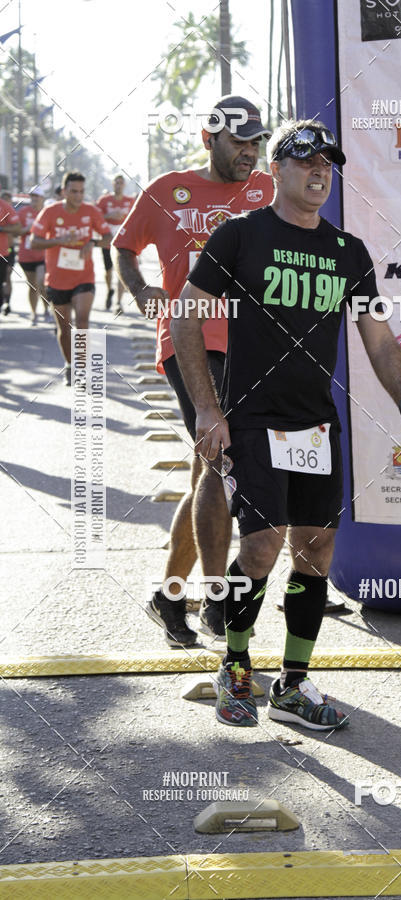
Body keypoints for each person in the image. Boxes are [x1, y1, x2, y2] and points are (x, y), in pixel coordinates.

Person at [171, 120, 401, 730]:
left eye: (327, 164)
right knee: (262, 548)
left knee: (316, 552)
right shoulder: (241, 236)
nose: (320, 171)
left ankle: (292, 683)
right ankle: (235, 667)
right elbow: (185, 319)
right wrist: (208, 408)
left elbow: (379, 338)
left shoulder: (348, 253)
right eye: (306, 160)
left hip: (316, 424)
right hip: (254, 418)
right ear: (277, 171)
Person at [114, 95, 273, 648]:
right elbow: (124, 248)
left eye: (256, 142)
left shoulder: (269, 191)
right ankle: (215, 601)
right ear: (209, 140)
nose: (248, 153)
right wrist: (140, 290)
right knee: (223, 460)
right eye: (238, 142)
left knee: (208, 475)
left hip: (253, 346)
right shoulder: (166, 191)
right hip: (189, 340)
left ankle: (169, 594)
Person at [30, 171, 112, 385]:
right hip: (57, 279)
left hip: (84, 277)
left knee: (82, 320)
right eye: (74, 191)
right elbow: (34, 241)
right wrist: (58, 240)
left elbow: (108, 238)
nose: (78, 196)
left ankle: (82, 369)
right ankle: (70, 364)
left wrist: (92, 242)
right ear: (64, 191)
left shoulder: (91, 211)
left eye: (82, 192)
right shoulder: (50, 213)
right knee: (64, 329)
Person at [96, 175, 135, 312]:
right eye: (116, 182)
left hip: (123, 241)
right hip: (107, 240)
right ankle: (109, 290)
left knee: (121, 271)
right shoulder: (104, 200)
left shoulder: (130, 201)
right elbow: (94, 217)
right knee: (108, 272)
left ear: (124, 185)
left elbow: (136, 219)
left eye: (121, 183)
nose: (118, 185)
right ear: (113, 184)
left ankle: (118, 303)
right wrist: (109, 216)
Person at [16, 187, 48, 325]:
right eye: (32, 196)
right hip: (26, 255)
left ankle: (46, 310)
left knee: (42, 283)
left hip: (43, 255)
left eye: (37, 196)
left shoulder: (47, 212)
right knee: (32, 286)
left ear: (42, 198)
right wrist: (28, 229)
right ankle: (34, 313)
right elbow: (16, 231)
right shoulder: (23, 212)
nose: (34, 199)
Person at [0, 193, 20, 315]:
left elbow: (18, 228)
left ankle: (7, 301)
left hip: (6, 251)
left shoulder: (6, 208)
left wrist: (2, 229)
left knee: (7, 276)